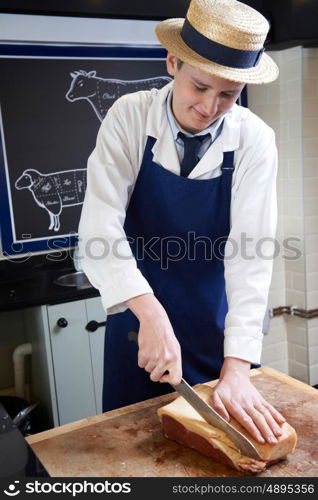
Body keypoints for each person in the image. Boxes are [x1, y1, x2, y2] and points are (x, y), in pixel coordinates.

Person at [78, 0, 286, 446]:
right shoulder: (129, 117)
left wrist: (237, 369)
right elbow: (100, 230)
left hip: (215, 330)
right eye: (200, 87)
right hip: (139, 324)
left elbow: (251, 256)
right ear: (173, 62)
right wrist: (150, 315)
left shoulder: (254, 140)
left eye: (228, 95)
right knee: (131, 451)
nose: (210, 107)